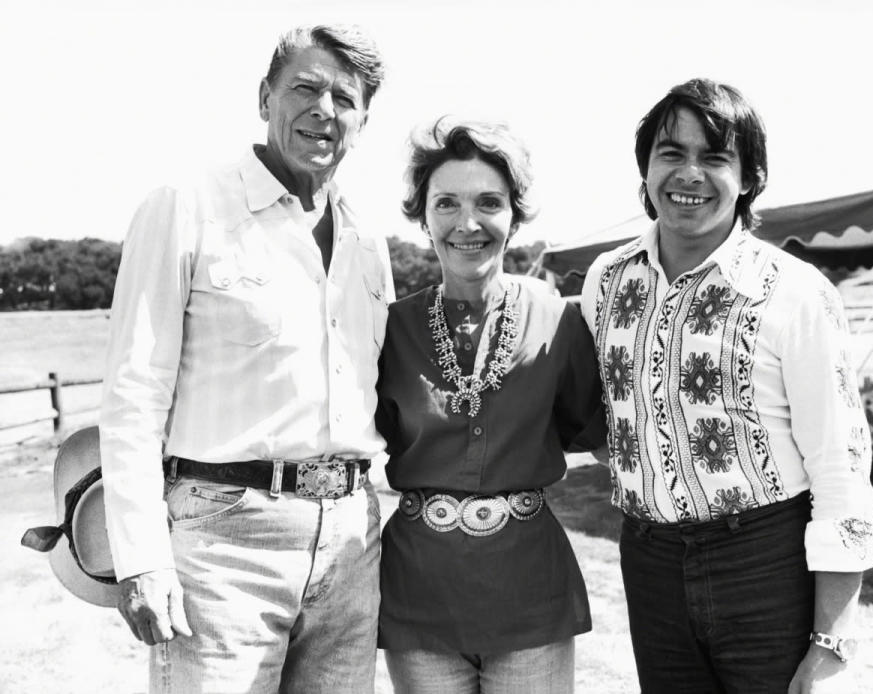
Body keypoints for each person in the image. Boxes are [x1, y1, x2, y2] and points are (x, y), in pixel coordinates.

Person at [99, 24, 392, 693]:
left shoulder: (367, 242)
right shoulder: (187, 205)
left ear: (363, 120)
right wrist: (143, 559)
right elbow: (133, 393)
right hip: (224, 541)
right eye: (306, 88)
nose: (324, 110)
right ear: (266, 98)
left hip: (350, 539)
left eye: (344, 99)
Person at [580, 78, 873, 693]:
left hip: (765, 561)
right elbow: (605, 415)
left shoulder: (795, 292)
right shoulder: (604, 281)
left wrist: (832, 642)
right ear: (645, 170)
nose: (689, 173)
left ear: (749, 177)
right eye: (671, 153)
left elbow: (841, 467)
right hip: (649, 560)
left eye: (715, 157)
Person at [375, 118, 605, 694]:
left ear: (515, 215)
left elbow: (594, 433)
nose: (467, 223)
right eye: (446, 203)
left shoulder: (559, 322)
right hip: (418, 598)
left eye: (489, 202)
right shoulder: (387, 328)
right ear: (422, 216)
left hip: (530, 595)